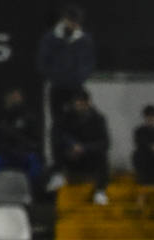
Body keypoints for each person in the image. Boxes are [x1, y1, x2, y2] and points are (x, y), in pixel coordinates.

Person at [37, 4, 96, 166]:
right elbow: (43, 63)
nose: (74, 25)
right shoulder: (50, 38)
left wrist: (78, 79)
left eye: (77, 22)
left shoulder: (84, 40)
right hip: (58, 89)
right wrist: (58, 78)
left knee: (79, 122)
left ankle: (79, 161)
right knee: (58, 126)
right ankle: (58, 164)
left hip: (76, 88)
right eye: (72, 21)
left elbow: (89, 64)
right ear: (65, 20)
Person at [54, 89, 110, 204]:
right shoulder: (67, 117)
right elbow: (60, 134)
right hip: (72, 154)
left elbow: (104, 143)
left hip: (89, 156)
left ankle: (100, 191)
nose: (78, 106)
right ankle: (58, 174)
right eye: (76, 103)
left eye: (81, 103)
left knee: (103, 157)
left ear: (87, 103)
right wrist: (72, 145)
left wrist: (84, 148)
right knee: (58, 145)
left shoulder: (98, 119)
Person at [0, 87, 41, 177]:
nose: (14, 99)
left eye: (17, 96)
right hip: (2, 155)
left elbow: (34, 141)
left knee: (34, 160)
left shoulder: (28, 117)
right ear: (6, 98)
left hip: (23, 154)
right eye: (12, 96)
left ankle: (33, 189)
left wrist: (23, 146)